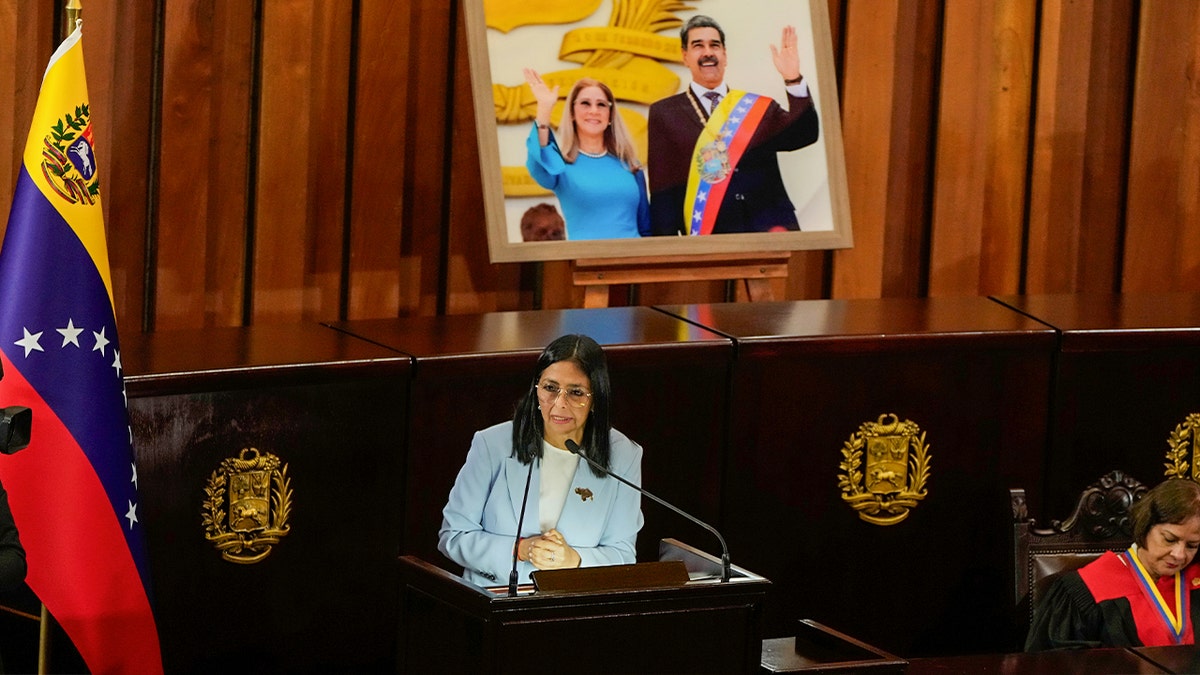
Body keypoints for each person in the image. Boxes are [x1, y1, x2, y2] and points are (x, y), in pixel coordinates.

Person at [438, 334, 644, 587]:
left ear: (595, 399)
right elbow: (453, 536)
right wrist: (520, 550)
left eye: (575, 392)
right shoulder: (492, 444)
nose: (559, 404)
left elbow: (622, 555)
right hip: (497, 599)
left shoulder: (624, 454)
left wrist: (574, 560)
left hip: (572, 606)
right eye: (550, 388)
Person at [647, 15, 820, 236]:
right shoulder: (665, 112)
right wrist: (669, 249)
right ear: (685, 56)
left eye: (715, 45)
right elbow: (664, 190)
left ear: (725, 56)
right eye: (698, 46)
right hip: (711, 233)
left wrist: (792, 78)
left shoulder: (756, 107)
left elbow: (804, 134)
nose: (708, 52)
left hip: (770, 229)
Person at [1025, 478, 1200, 650]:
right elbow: (1053, 662)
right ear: (1145, 526)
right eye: (1169, 539)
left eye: (1192, 545)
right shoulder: (1087, 589)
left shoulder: (1195, 581)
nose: (1179, 555)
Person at [523, 70, 650, 240]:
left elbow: (646, 227)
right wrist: (544, 110)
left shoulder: (631, 165)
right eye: (585, 103)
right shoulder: (561, 166)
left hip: (631, 261)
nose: (594, 111)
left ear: (610, 115)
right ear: (572, 114)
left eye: (601, 105)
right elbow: (538, 163)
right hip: (586, 262)